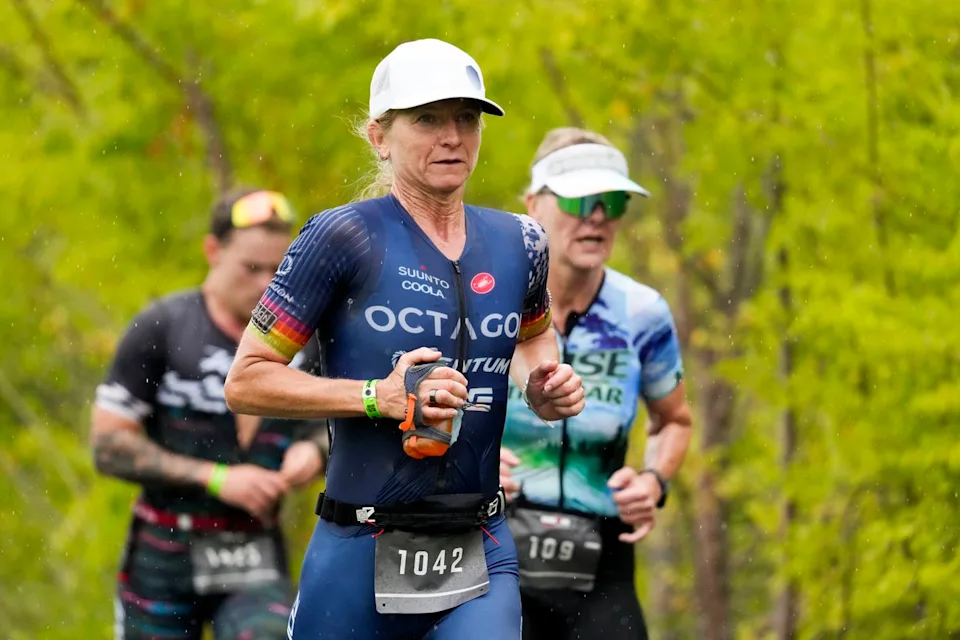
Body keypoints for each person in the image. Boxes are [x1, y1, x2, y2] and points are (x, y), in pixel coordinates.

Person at [223, 39, 586, 640]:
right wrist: (377, 397)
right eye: (427, 120)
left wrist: (542, 385)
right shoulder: (341, 238)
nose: (452, 137)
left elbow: (531, 339)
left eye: (466, 118)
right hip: (359, 545)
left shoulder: (522, 242)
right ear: (379, 137)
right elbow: (246, 380)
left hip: (479, 545)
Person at [91, 187, 328, 640]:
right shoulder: (161, 326)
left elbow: (339, 426)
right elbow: (108, 445)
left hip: (255, 552)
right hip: (164, 550)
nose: (266, 284)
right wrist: (215, 478)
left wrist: (314, 451)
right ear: (213, 251)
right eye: (251, 268)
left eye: (279, 270)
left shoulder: (308, 342)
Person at [499, 128, 694, 640]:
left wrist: (653, 481)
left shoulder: (643, 313)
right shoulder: (489, 303)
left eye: (613, 201)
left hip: (601, 560)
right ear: (533, 205)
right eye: (580, 199)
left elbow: (674, 420)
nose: (598, 216)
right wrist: (464, 469)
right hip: (491, 545)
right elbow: (425, 408)